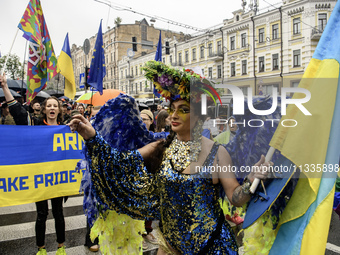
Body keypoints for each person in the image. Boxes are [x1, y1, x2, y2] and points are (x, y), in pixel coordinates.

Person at [68, 61, 269, 254]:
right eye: (172, 109)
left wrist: (251, 181)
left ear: (200, 116)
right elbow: (121, 162)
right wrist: (92, 137)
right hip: (170, 246)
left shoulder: (218, 153)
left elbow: (235, 198)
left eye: (184, 110)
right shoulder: (161, 146)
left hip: (212, 247)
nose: (174, 115)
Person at [0, 74, 67, 255]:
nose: (52, 108)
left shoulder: (68, 129)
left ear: (59, 110)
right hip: (40, 178)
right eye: (49, 106)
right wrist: (5, 87)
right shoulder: (35, 124)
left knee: (59, 213)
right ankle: (41, 249)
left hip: (59, 179)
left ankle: (61, 247)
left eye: (55, 106)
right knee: (42, 214)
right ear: (45, 110)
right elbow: (18, 113)